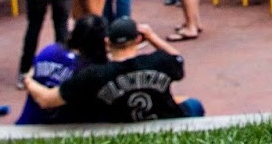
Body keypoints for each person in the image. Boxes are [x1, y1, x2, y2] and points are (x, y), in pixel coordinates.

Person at [24, 17, 204, 123]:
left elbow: (46, 100)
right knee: (194, 104)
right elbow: (178, 59)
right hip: (164, 121)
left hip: (119, 127)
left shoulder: (94, 75)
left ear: (107, 42)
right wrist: (152, 37)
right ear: (138, 40)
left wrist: (29, 81)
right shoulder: (159, 61)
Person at [16, 15, 109, 125]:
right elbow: (46, 100)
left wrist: (28, 80)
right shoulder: (89, 72)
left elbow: (32, 72)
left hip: (26, 124)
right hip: (61, 132)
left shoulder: (49, 50)